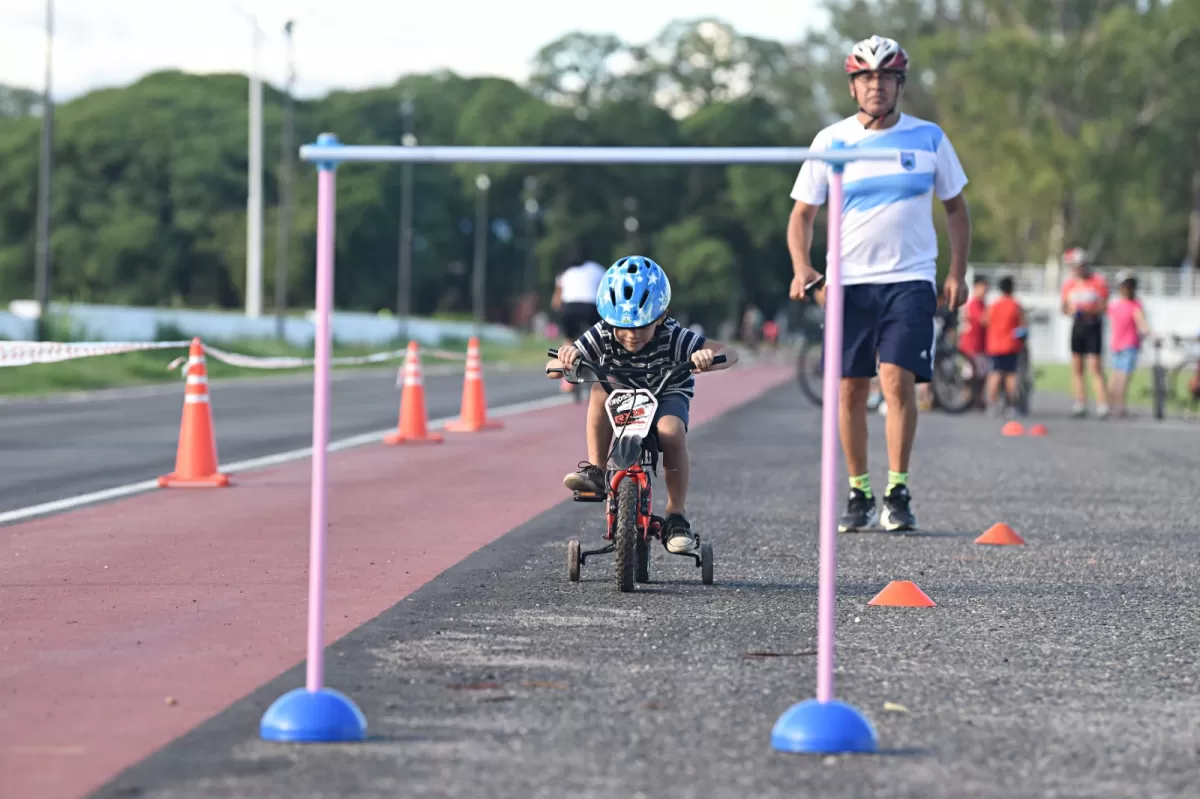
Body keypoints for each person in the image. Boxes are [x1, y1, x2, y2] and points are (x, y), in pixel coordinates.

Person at [787, 34, 972, 533]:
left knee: (896, 380)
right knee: (848, 390)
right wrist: (804, 268)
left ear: (899, 84)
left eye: (887, 77)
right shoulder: (831, 141)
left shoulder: (929, 138)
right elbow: (802, 215)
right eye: (867, 77)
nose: (877, 85)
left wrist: (955, 273)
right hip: (849, 284)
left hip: (909, 280)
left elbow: (956, 209)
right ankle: (859, 490)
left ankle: (898, 488)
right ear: (853, 86)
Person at [548, 256, 740, 554]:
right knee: (599, 388)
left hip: (666, 391)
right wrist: (565, 358)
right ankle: (597, 471)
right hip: (622, 391)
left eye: (642, 325)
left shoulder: (673, 335)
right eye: (623, 326)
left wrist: (707, 359)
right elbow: (554, 365)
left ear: (660, 316)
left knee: (671, 431)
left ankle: (677, 516)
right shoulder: (604, 332)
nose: (631, 335)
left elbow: (729, 353)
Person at [1059, 247, 1110, 418]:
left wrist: (1087, 310)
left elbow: (1103, 306)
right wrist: (1071, 310)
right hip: (1077, 327)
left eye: (1078, 265)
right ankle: (1080, 402)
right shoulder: (1069, 284)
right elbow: (1064, 307)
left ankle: (1102, 404)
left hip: (1093, 326)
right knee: (1077, 366)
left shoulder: (1097, 282)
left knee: (1095, 366)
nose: (1076, 269)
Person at [551, 256, 607, 392]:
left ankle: (568, 378)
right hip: (591, 308)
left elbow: (556, 300)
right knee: (602, 336)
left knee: (568, 340)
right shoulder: (597, 268)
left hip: (570, 308)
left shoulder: (564, 272)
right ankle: (607, 372)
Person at [1105, 272, 1152, 418]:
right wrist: (1152, 335)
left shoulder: (1114, 306)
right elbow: (1142, 324)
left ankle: (1111, 406)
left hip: (1119, 345)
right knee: (1121, 378)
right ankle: (1119, 407)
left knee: (1115, 378)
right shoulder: (1133, 305)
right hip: (1127, 345)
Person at [983, 276, 1026, 415]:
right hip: (1011, 345)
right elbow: (1023, 325)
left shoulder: (994, 305)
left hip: (995, 346)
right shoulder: (1015, 305)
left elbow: (984, 321)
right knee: (1011, 375)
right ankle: (1011, 406)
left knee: (995, 374)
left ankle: (992, 405)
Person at [958, 275, 990, 409]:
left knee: (981, 375)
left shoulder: (983, 305)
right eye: (983, 288)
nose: (985, 291)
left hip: (981, 346)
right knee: (970, 375)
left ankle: (978, 399)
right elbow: (983, 320)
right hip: (971, 346)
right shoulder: (974, 304)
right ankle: (967, 399)